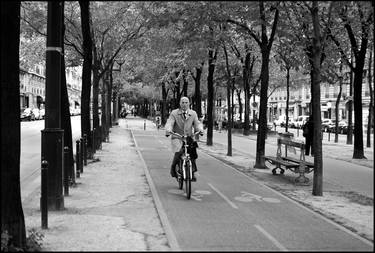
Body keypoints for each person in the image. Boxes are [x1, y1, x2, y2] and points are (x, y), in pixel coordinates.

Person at [165, 97, 203, 181]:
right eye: (183, 102)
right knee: (179, 151)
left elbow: (197, 123)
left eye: (186, 102)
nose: (184, 104)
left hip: (188, 137)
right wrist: (168, 129)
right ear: (180, 103)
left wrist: (200, 129)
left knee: (192, 153)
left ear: (189, 104)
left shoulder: (193, 113)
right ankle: (173, 167)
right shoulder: (174, 113)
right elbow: (170, 123)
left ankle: (192, 172)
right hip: (177, 136)